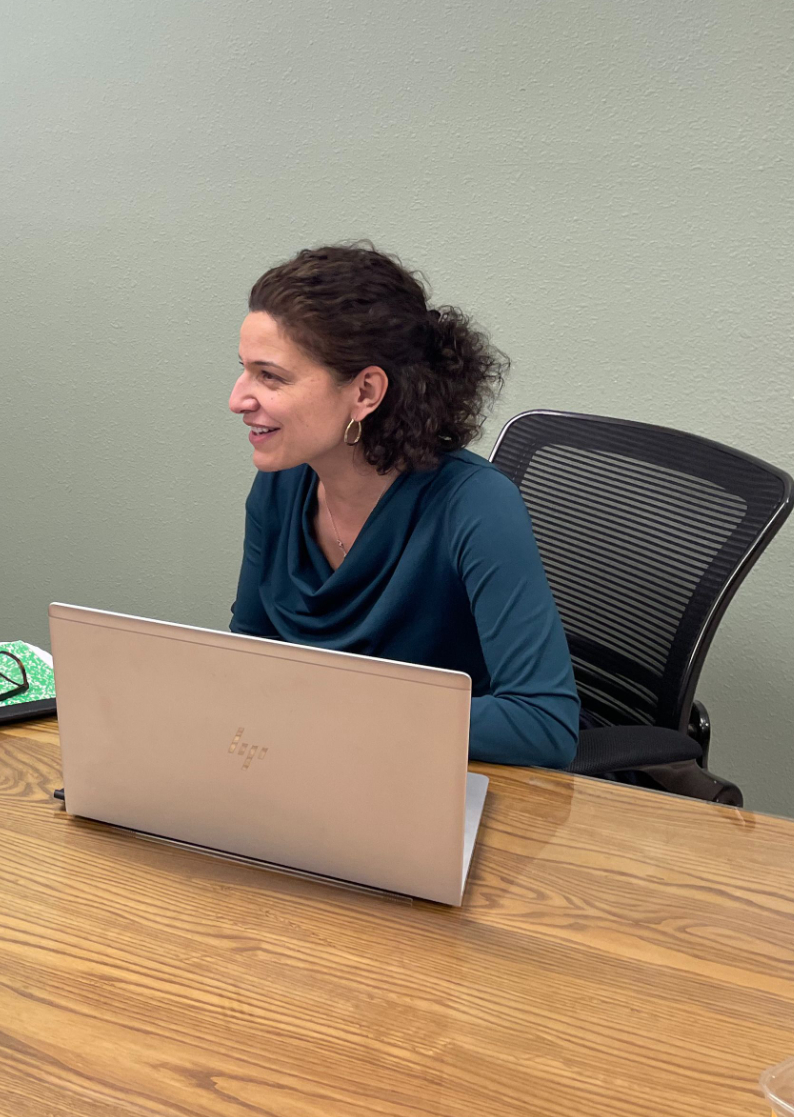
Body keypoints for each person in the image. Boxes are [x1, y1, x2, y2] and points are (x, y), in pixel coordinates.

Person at [226, 243, 579, 768]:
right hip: (322, 764)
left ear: (365, 392)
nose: (238, 399)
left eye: (270, 376)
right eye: (243, 370)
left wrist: (328, 710)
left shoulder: (476, 505)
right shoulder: (280, 484)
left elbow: (543, 725)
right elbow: (252, 652)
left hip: (442, 778)